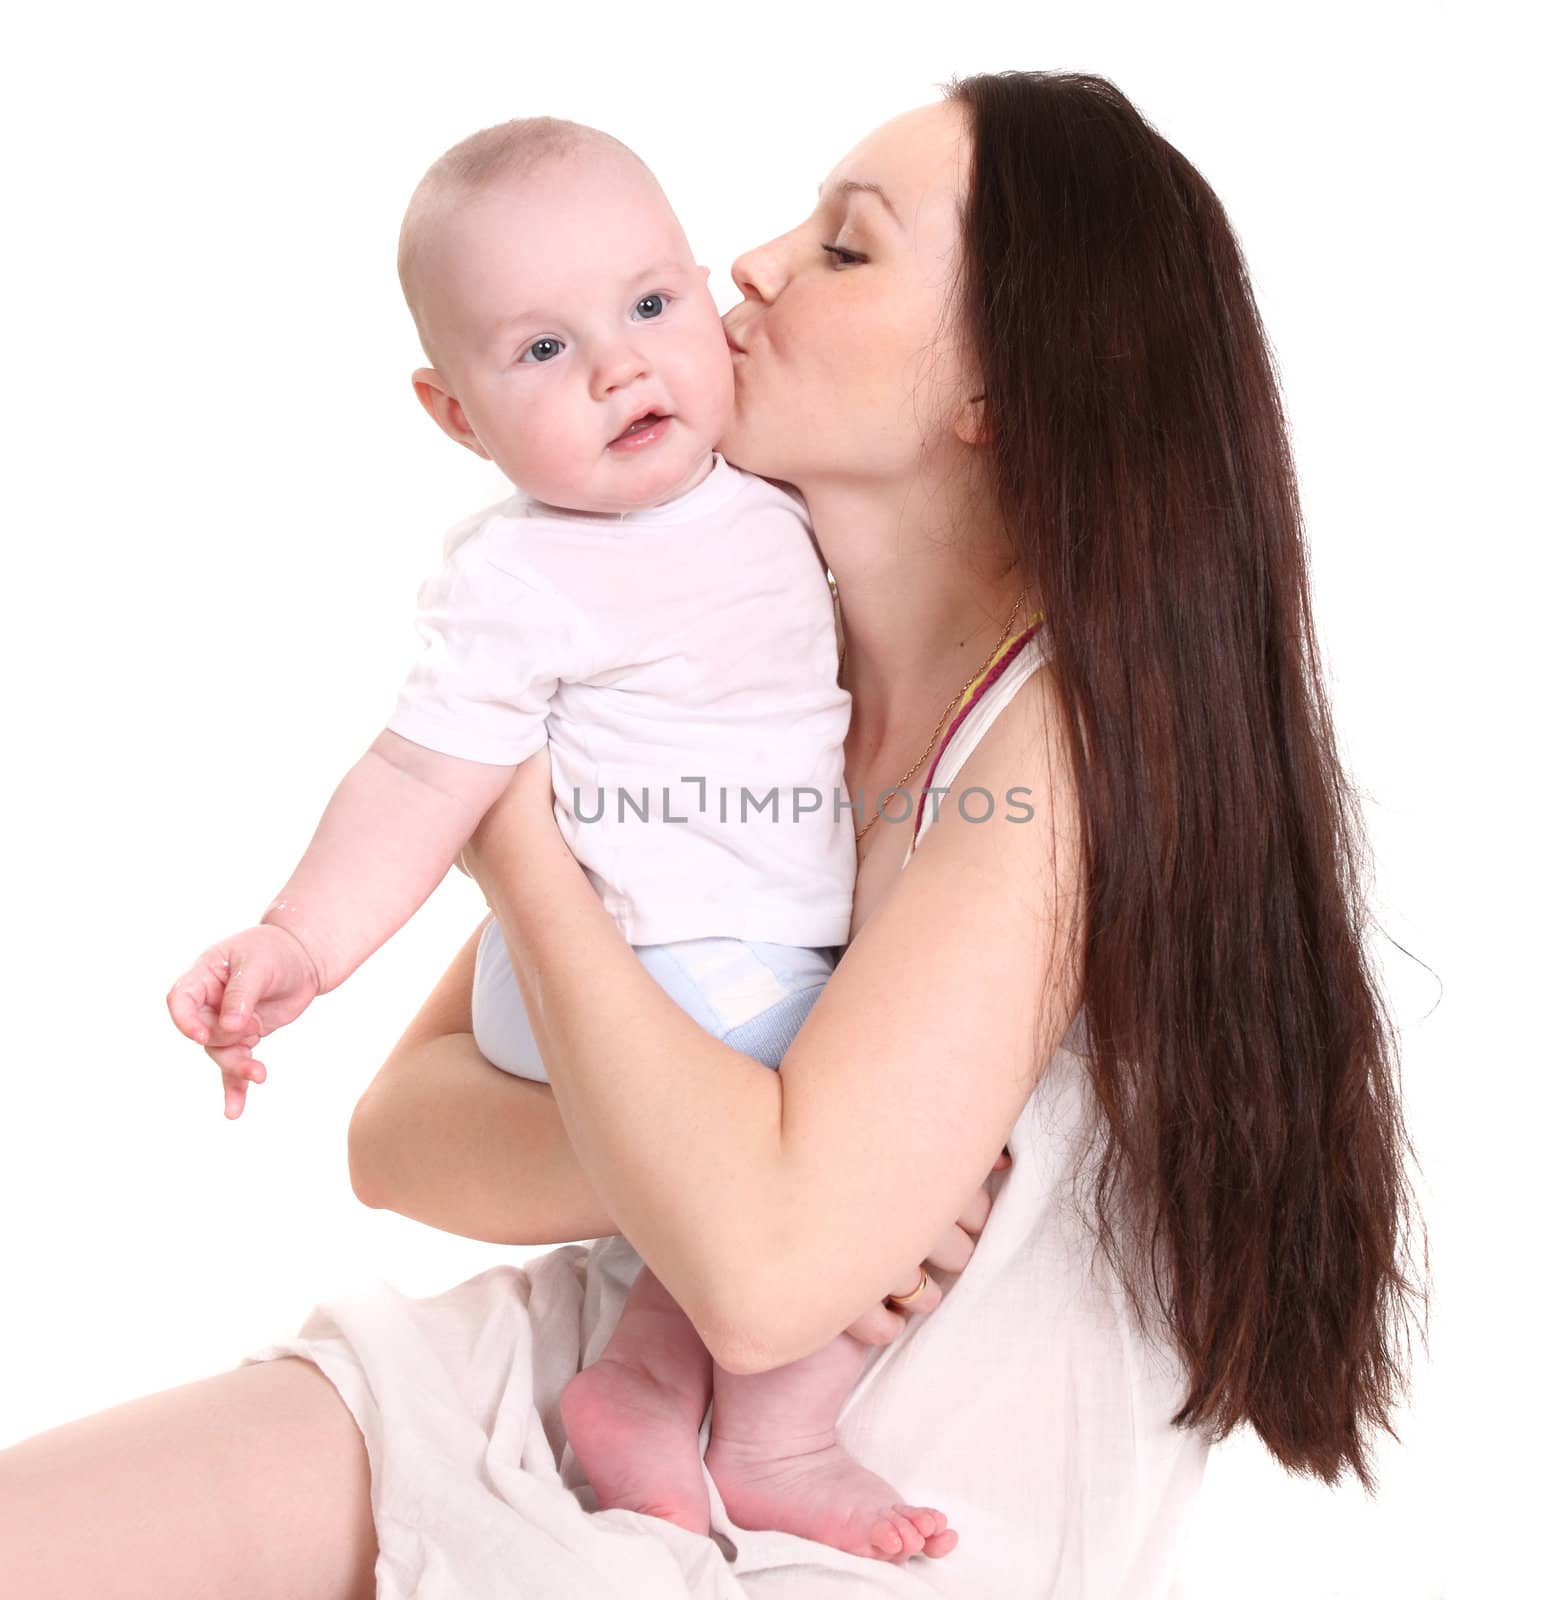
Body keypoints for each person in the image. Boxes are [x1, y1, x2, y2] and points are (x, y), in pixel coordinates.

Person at [0, 69, 1421, 1599]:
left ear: (996, 392)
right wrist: (753, 1166)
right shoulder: (735, 658)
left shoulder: (1060, 748)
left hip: (891, 1515)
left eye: (846, 245)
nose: (747, 262)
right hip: (594, 1387)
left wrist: (530, 857)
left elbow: (756, 1284)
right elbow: (398, 1138)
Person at [161, 113, 982, 1560]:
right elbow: (419, 778)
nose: (617, 365)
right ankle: (781, 1433)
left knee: (777, 1114)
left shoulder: (764, 498)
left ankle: (642, 1391)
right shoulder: (526, 575)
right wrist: (299, 940)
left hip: (687, 968)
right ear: (456, 417)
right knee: (869, 1129)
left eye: (653, 307)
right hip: (651, 968)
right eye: (541, 351)